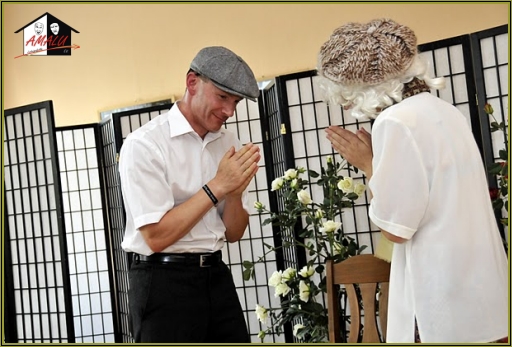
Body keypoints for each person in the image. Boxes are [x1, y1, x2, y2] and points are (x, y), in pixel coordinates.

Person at [316, 18, 508, 343]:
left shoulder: (395, 122)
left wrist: (368, 165)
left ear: (363, 87)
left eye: (344, 95)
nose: (345, 105)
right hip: (485, 295)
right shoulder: (447, 112)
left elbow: (396, 229)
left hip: (443, 300)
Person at [119, 46, 261, 343]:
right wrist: (218, 186)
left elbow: (234, 233)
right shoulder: (144, 144)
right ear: (192, 82)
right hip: (162, 282)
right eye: (222, 97)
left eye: (235, 102)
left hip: (216, 275)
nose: (229, 111)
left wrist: (234, 193)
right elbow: (156, 237)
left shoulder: (229, 142)